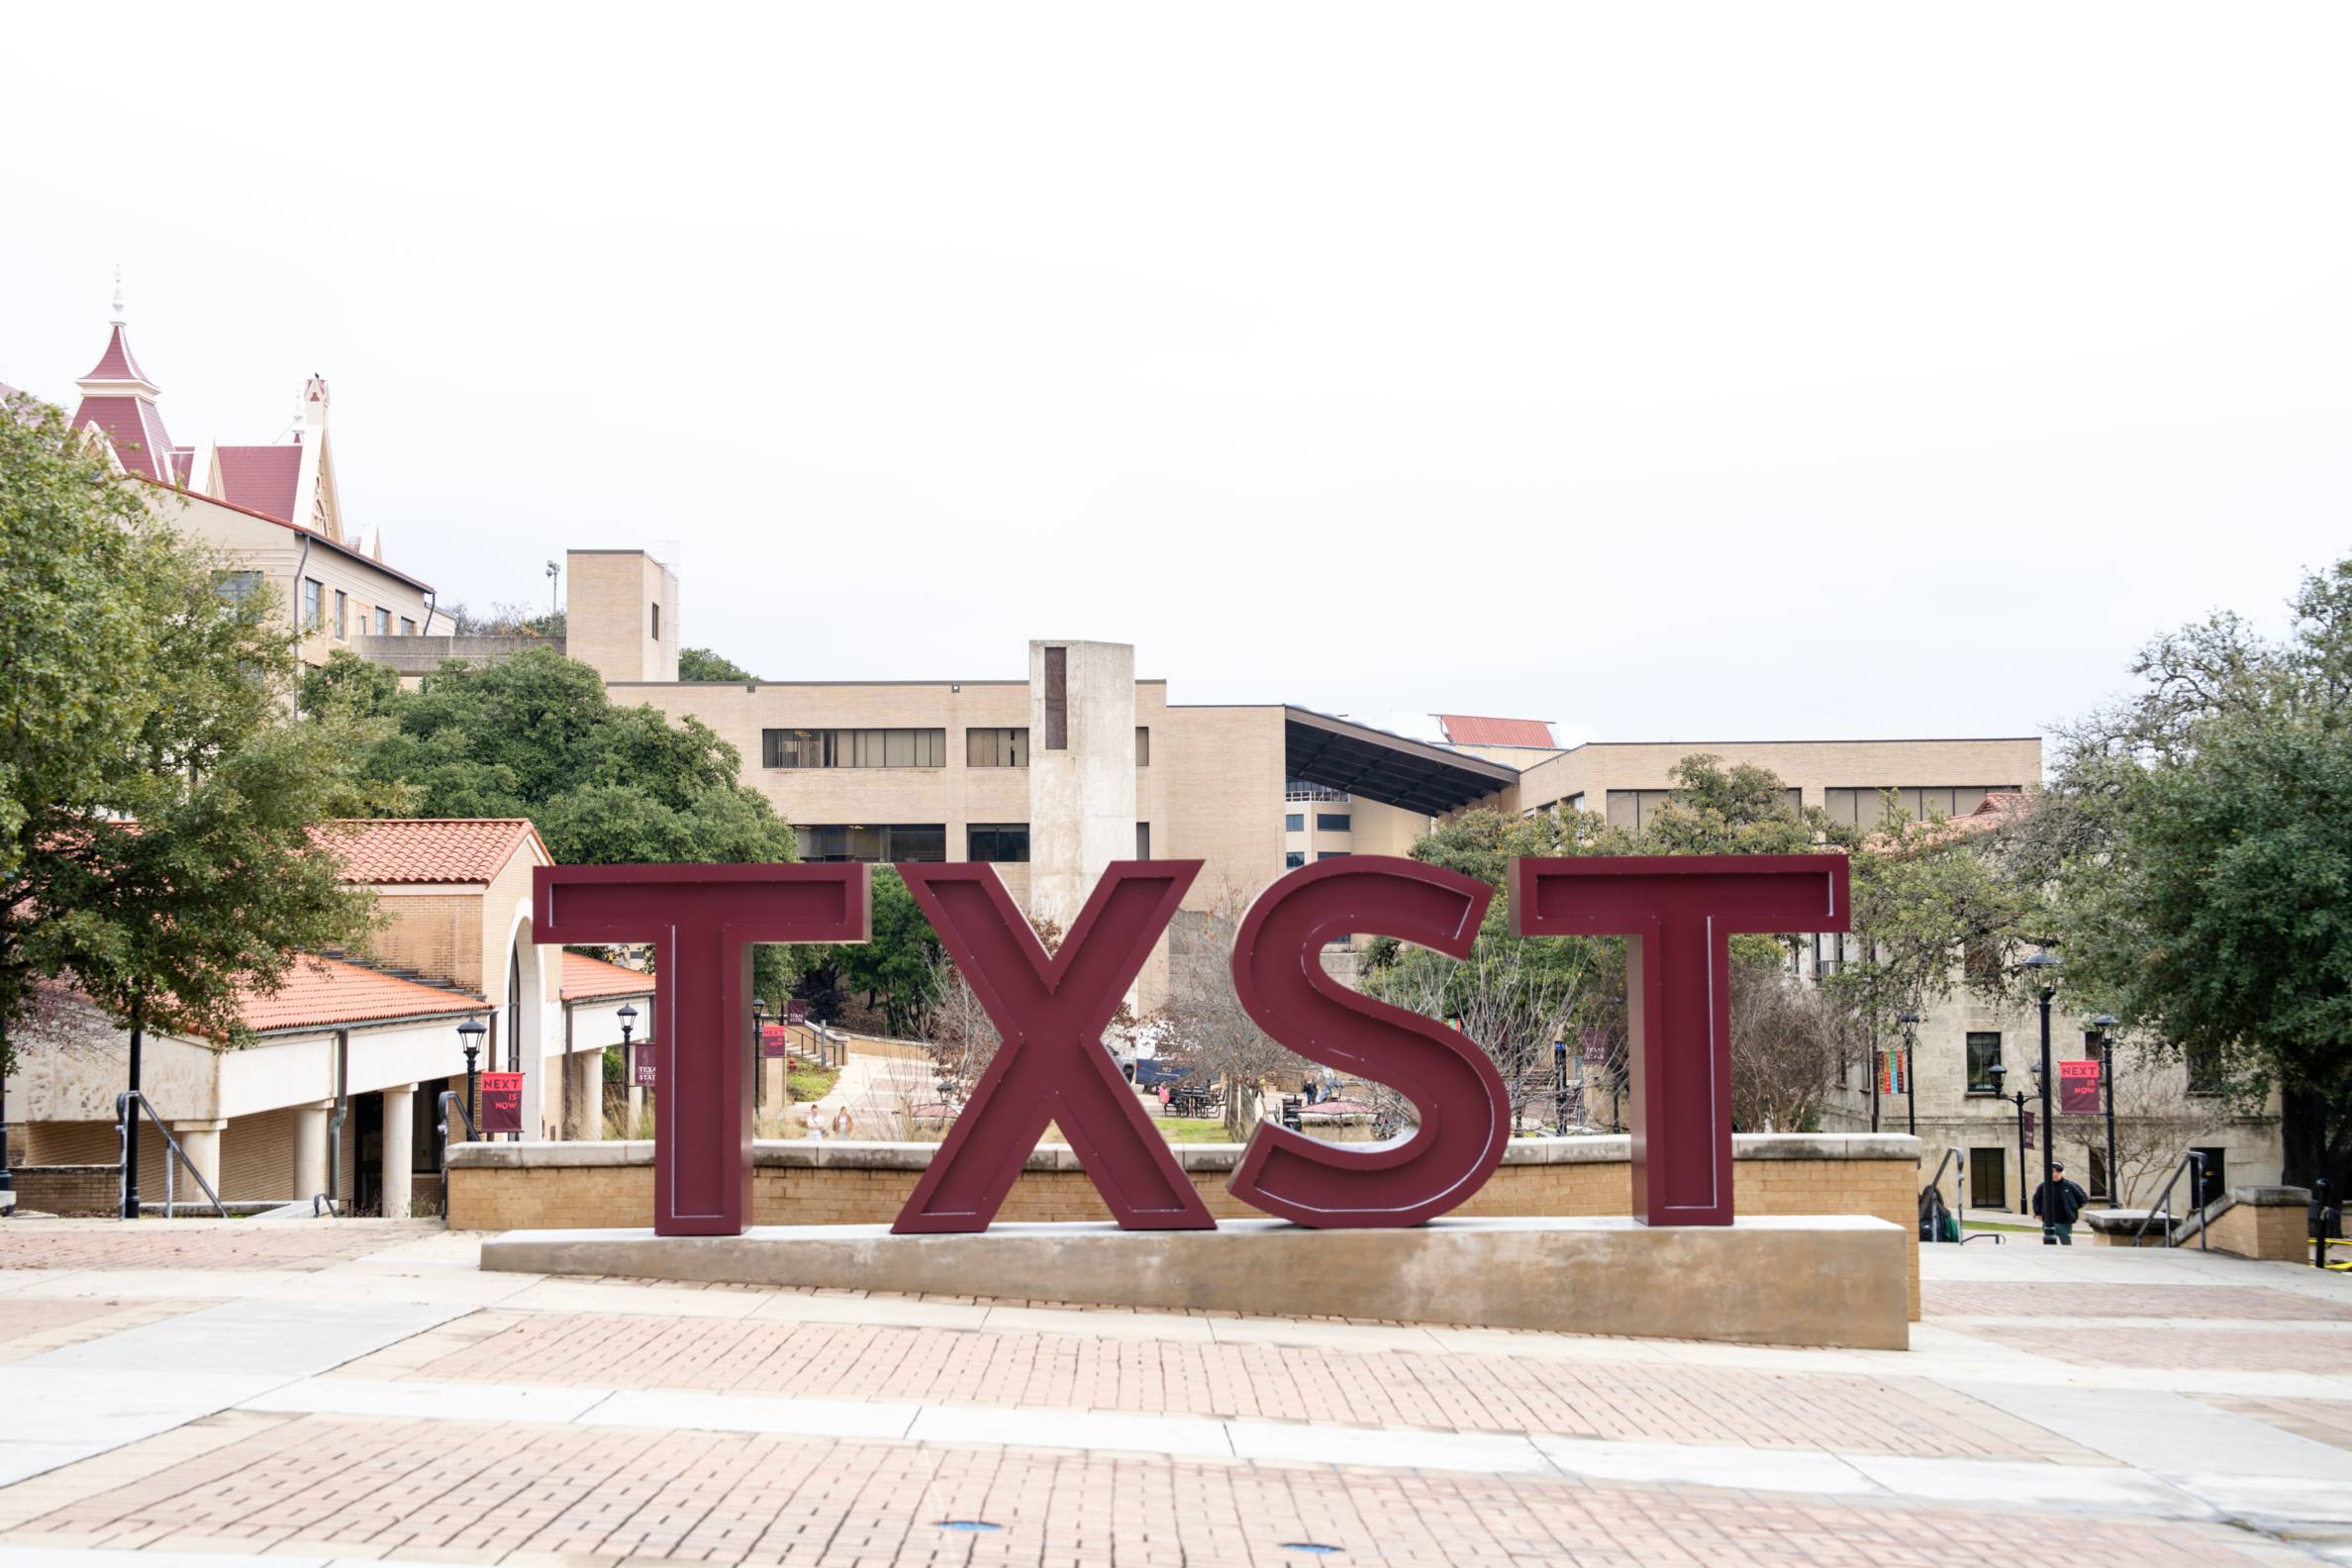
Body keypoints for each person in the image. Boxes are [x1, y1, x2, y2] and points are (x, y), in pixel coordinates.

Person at [2032, 1161, 2092, 1244]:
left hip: (2064, 1222)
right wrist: (2038, 1213)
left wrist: (2072, 1207)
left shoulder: (2070, 1185)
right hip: (2048, 1222)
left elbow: (2083, 1198)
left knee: (2066, 1243)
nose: (2055, 1174)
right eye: (2052, 1171)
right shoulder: (2043, 1186)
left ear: (2062, 1173)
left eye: (2058, 1172)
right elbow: (2036, 1199)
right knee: (2049, 1244)